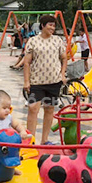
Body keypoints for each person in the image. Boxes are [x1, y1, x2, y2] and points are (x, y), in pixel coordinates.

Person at [23, 14, 67, 144]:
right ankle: (30, 140)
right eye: (50, 25)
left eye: (54, 25)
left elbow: (64, 58)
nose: (52, 28)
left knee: (49, 109)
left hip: (54, 82)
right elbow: (27, 63)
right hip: (37, 82)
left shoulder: (58, 40)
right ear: (42, 26)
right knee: (33, 108)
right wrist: (26, 81)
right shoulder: (33, 41)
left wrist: (63, 74)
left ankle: (45, 140)